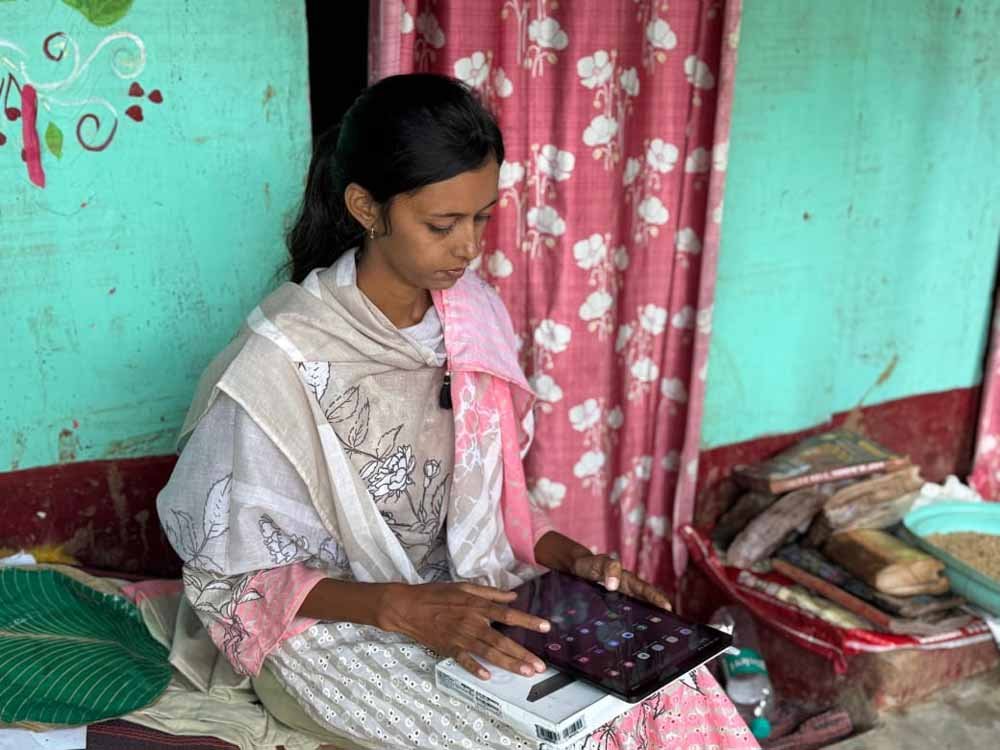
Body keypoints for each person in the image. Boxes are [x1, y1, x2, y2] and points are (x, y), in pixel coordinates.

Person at [157, 73, 756, 750]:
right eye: (442, 225)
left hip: (466, 592)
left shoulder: (474, 319)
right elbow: (227, 574)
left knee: (672, 689)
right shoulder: (281, 361)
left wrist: (577, 564)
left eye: (482, 218)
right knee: (546, 738)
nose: (469, 247)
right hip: (328, 628)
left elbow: (494, 510)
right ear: (366, 207)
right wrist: (399, 608)